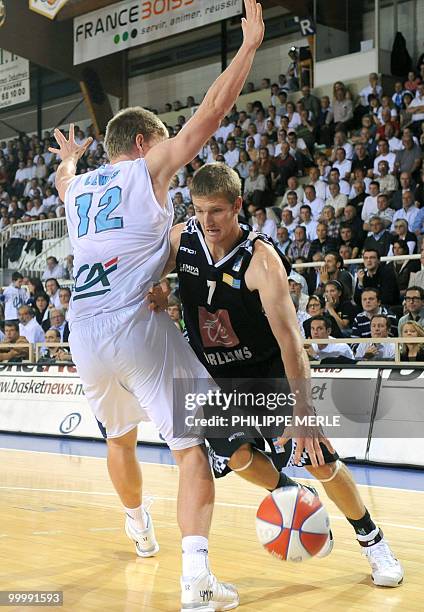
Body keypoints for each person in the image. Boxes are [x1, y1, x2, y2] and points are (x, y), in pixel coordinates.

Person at [48, 3, 265, 608]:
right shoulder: (147, 170)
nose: (171, 157)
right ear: (144, 144)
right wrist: (248, 44)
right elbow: (212, 113)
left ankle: (138, 528)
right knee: (190, 444)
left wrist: (69, 157)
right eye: (163, 146)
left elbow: (64, 179)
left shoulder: (78, 189)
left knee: (118, 439)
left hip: (82, 334)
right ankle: (195, 577)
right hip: (133, 325)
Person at [162, 162, 403, 587]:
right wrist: (160, 289)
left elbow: (292, 340)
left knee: (320, 458)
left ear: (238, 205)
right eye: (199, 210)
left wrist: (304, 410)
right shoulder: (182, 240)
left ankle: (373, 539)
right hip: (211, 378)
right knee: (235, 457)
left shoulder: (262, 261)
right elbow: (145, 269)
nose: (207, 221)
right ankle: (292, 493)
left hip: (265, 374)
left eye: (216, 210)